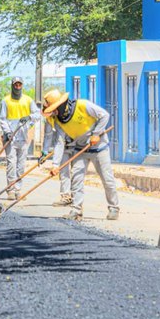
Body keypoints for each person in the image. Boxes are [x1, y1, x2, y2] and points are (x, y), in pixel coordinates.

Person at [42, 89, 119, 221]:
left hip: (99, 148)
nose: (53, 112)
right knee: (76, 179)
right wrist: (55, 165)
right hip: (80, 149)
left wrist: (96, 134)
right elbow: (59, 144)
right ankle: (76, 210)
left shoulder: (83, 105)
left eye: (54, 109)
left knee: (107, 179)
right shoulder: (59, 122)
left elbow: (104, 115)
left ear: (60, 105)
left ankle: (114, 207)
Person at [0, 77, 40, 200]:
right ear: (12, 86)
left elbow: (38, 114)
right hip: (10, 138)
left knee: (21, 165)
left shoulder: (28, 100)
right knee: (11, 163)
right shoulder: (6, 101)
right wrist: (8, 132)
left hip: (22, 137)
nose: (17, 87)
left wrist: (29, 117)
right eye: (15, 85)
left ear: (22, 86)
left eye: (19, 85)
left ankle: (18, 190)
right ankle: (11, 189)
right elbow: (2, 119)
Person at [41, 117, 75, 207]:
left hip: (77, 145)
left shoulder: (66, 112)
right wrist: (44, 152)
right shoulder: (49, 118)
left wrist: (55, 164)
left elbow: (59, 142)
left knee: (76, 172)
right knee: (64, 172)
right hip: (64, 146)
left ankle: (76, 199)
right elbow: (48, 135)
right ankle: (66, 197)